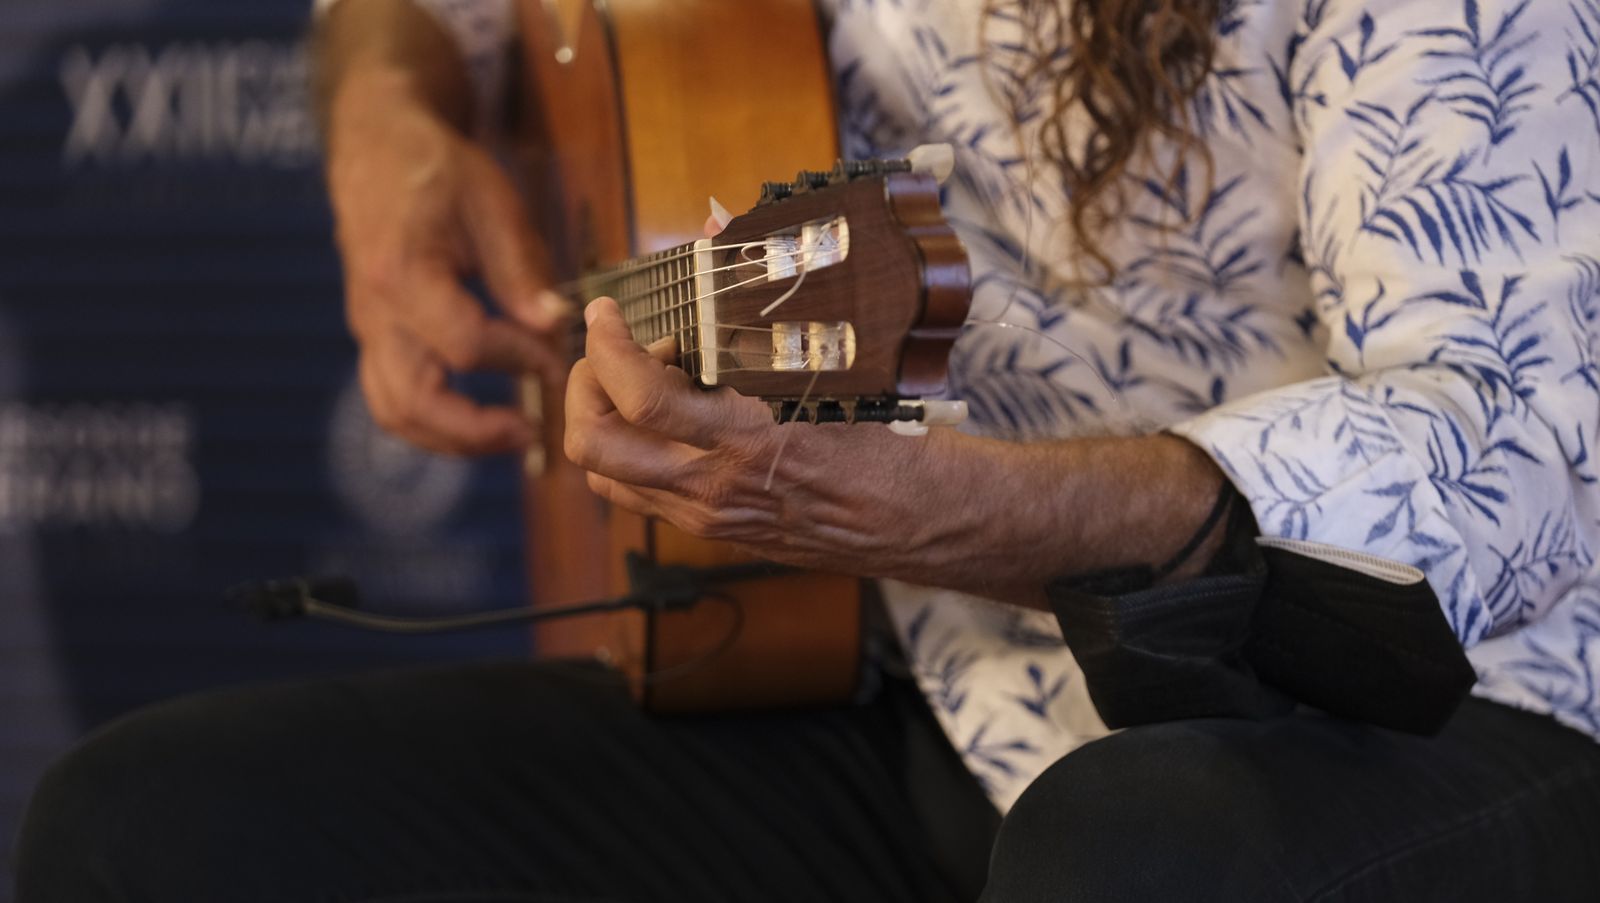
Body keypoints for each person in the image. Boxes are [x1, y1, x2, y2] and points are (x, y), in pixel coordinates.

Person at [16, 0, 1600, 899]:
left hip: (1445, 715)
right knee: (156, 826)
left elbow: (1510, 457)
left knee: (1145, 856)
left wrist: (943, 513)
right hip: (948, 703)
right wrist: (386, 137)